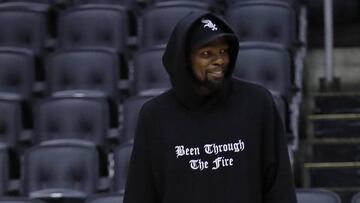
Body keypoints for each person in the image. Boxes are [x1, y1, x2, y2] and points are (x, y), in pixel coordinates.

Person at [123, 11, 297, 203]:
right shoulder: (155, 116)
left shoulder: (257, 103)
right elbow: (140, 194)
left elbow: (280, 190)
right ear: (184, 59)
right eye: (207, 54)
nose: (219, 60)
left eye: (223, 51)